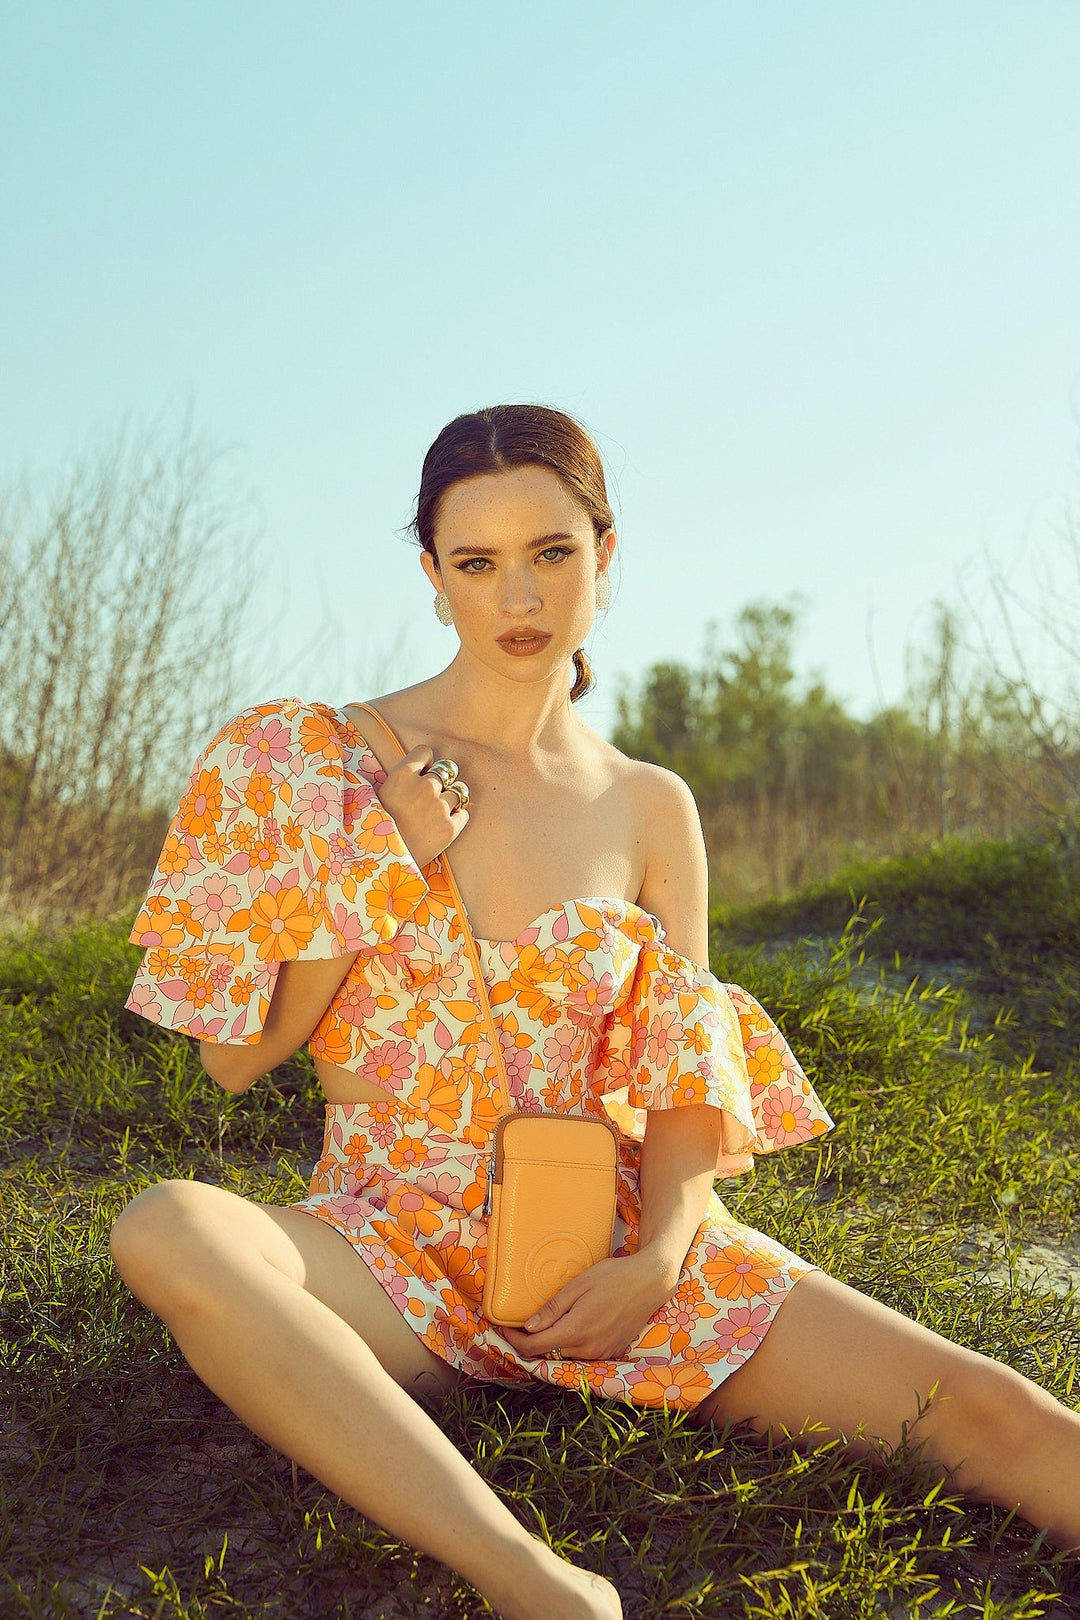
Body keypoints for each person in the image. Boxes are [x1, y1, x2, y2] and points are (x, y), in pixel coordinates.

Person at [110, 404, 1080, 1620]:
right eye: (477, 564)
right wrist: (383, 856)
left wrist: (660, 1257)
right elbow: (233, 1058)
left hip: (602, 1243)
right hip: (386, 1238)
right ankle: (533, 1583)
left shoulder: (649, 805)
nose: (518, 597)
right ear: (433, 578)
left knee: (1001, 1412)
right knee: (170, 1230)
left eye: (551, 553)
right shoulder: (304, 757)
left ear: (605, 557)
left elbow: (685, 1061)